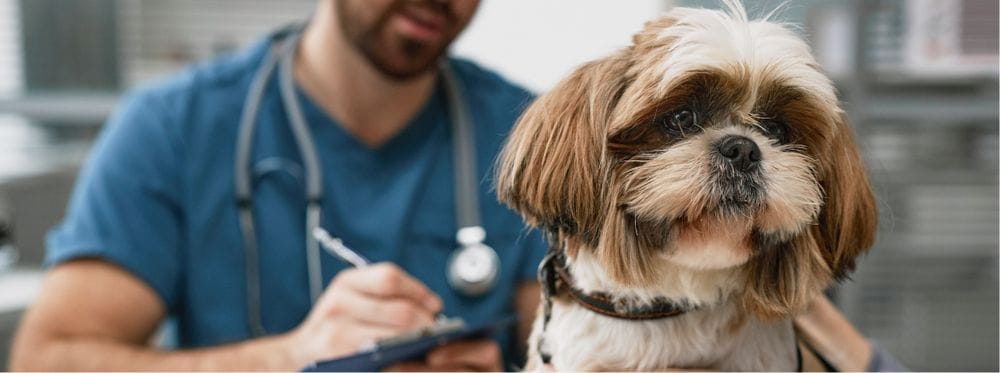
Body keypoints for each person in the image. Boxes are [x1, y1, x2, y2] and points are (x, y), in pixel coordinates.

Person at [10, 0, 545, 371]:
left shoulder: (528, 136)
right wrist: (292, 359)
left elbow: (570, 348)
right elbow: (46, 360)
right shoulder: (174, 127)